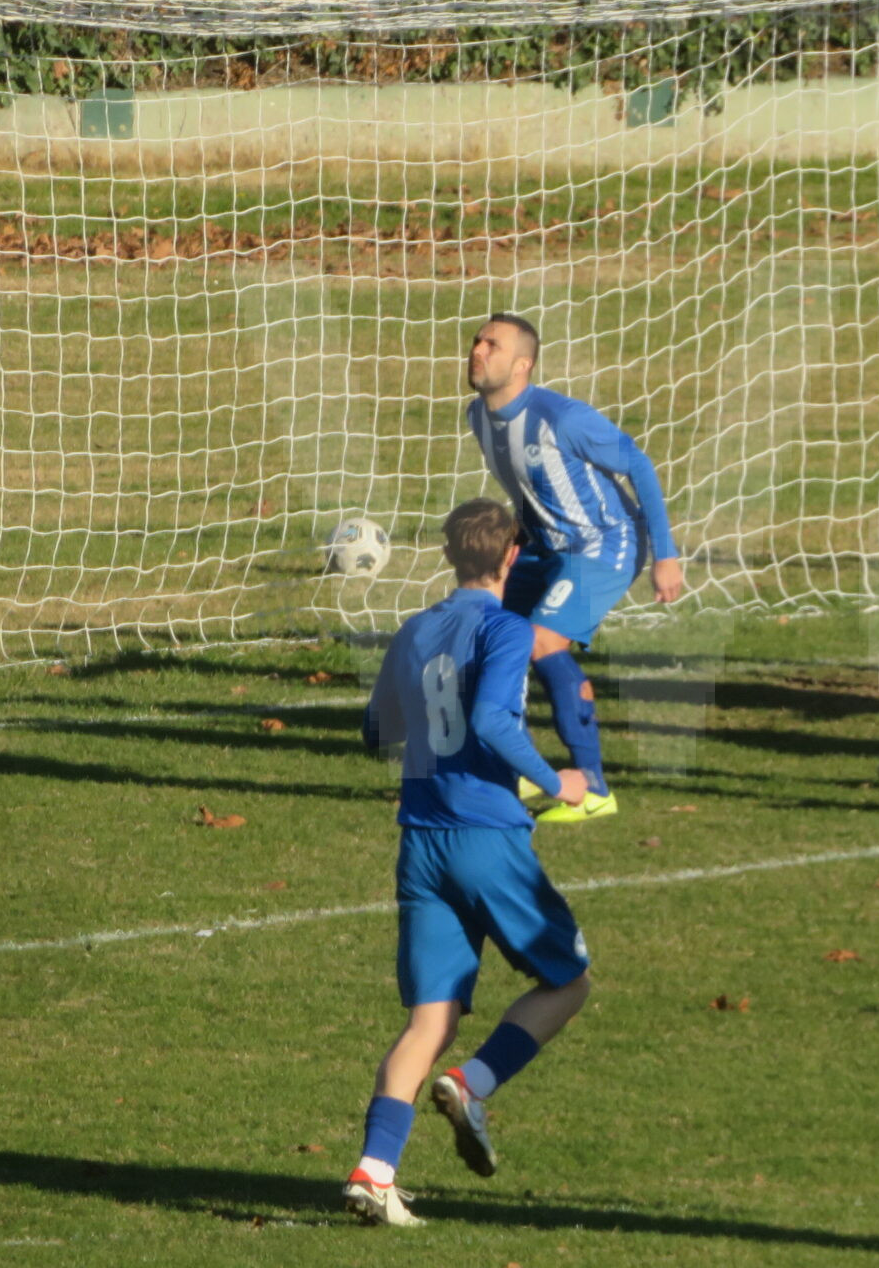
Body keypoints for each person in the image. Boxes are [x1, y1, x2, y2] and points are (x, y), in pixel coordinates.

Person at [346, 499, 593, 1227]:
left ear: (451, 555)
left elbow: (375, 729)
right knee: (568, 981)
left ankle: (375, 1170)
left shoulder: (416, 629)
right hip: (487, 838)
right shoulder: (508, 629)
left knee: (431, 1017)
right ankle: (474, 1083)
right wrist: (560, 782)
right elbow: (490, 722)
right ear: (513, 557)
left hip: (420, 842)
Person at [462, 314, 685, 822]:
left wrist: (666, 555)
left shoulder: (561, 418)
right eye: (477, 341)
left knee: (542, 640)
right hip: (543, 545)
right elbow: (530, 489)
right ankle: (511, 771)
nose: (477, 350)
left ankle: (593, 790)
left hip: (605, 544)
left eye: (491, 344)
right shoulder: (478, 415)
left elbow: (639, 466)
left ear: (522, 364)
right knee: (493, 637)